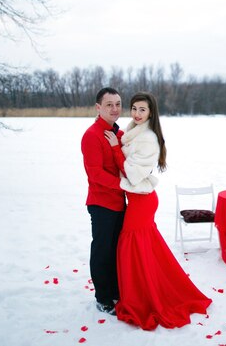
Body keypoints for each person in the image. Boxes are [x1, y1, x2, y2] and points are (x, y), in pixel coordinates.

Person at [104, 91, 212, 330]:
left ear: (151, 112)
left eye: (142, 109)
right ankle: (145, 287)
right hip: (138, 199)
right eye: (133, 108)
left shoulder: (148, 139)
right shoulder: (133, 131)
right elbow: (125, 146)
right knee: (144, 246)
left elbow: (132, 172)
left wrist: (113, 149)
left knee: (130, 244)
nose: (137, 113)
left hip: (142, 201)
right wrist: (117, 139)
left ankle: (142, 295)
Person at [81, 87, 126, 316]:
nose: (114, 109)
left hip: (120, 203)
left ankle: (116, 289)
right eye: (109, 104)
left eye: (118, 104)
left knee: (117, 250)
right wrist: (124, 185)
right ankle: (103, 297)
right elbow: (95, 174)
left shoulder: (118, 133)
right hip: (101, 204)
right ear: (98, 108)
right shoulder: (92, 135)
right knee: (102, 251)